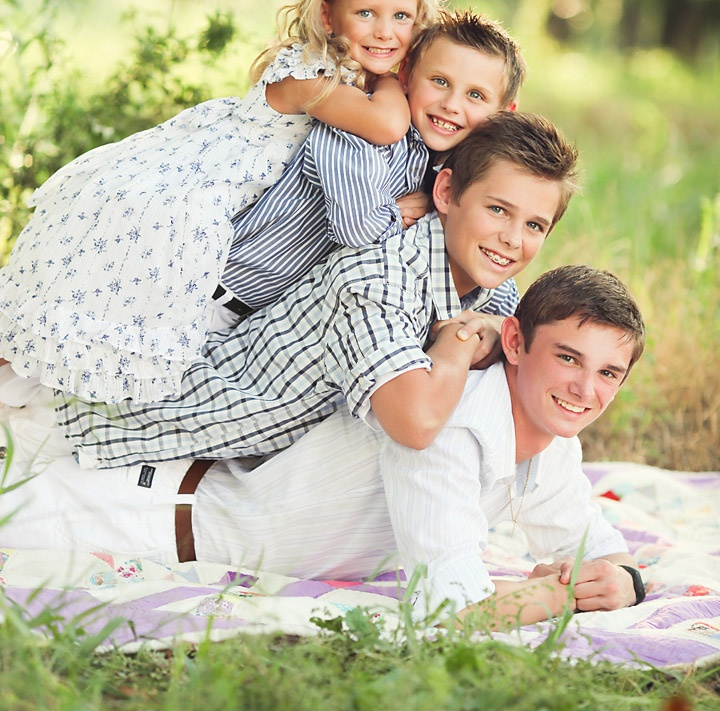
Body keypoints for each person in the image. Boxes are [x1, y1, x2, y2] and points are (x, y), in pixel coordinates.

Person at [0, 265, 647, 629]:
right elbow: (451, 614)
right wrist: (559, 596)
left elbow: (599, 550)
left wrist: (623, 581)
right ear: (514, 343)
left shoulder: (549, 442)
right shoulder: (446, 426)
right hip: (135, 515)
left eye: (608, 373)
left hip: (169, 503)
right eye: (568, 358)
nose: (584, 390)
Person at [0, 0, 440, 406]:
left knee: (72, 341)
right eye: (366, 13)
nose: (385, 31)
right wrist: (395, 75)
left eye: (401, 17)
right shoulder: (310, 74)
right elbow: (387, 125)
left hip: (219, 204)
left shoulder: (347, 75)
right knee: (82, 319)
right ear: (327, 13)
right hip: (186, 201)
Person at [52, 109, 580, 469]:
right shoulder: (379, 276)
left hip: (220, 466)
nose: (513, 239)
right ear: (446, 192)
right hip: (107, 432)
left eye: (534, 225)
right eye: (498, 210)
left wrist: (493, 326)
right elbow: (416, 424)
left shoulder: (492, 290)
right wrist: (463, 339)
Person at [212, 8, 527, 321]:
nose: (451, 105)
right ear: (406, 74)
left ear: (503, 114)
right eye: (440, 81)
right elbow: (357, 227)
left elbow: (476, 249)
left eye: (475, 95)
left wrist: (500, 321)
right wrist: (397, 216)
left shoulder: (454, 169)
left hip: (270, 316)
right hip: (221, 293)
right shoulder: (366, 128)